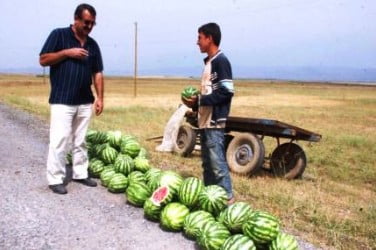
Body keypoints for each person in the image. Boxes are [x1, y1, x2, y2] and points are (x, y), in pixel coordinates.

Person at [39, 3, 104, 194]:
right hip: (62, 99)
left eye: (92, 23)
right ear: (76, 19)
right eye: (86, 22)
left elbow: (98, 72)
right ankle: (55, 178)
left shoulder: (92, 45)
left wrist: (100, 97)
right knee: (60, 140)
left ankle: (80, 173)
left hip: (85, 100)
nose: (89, 27)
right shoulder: (58, 35)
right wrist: (67, 53)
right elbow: (43, 59)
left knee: (80, 140)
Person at [182, 23, 235, 204]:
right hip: (204, 122)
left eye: (199, 38)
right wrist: (196, 104)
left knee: (217, 165)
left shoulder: (221, 61)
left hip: (214, 123)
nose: (197, 42)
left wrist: (199, 101)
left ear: (209, 38)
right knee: (208, 165)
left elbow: (226, 91)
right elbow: (209, 93)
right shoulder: (209, 63)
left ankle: (228, 201)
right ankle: (211, 200)